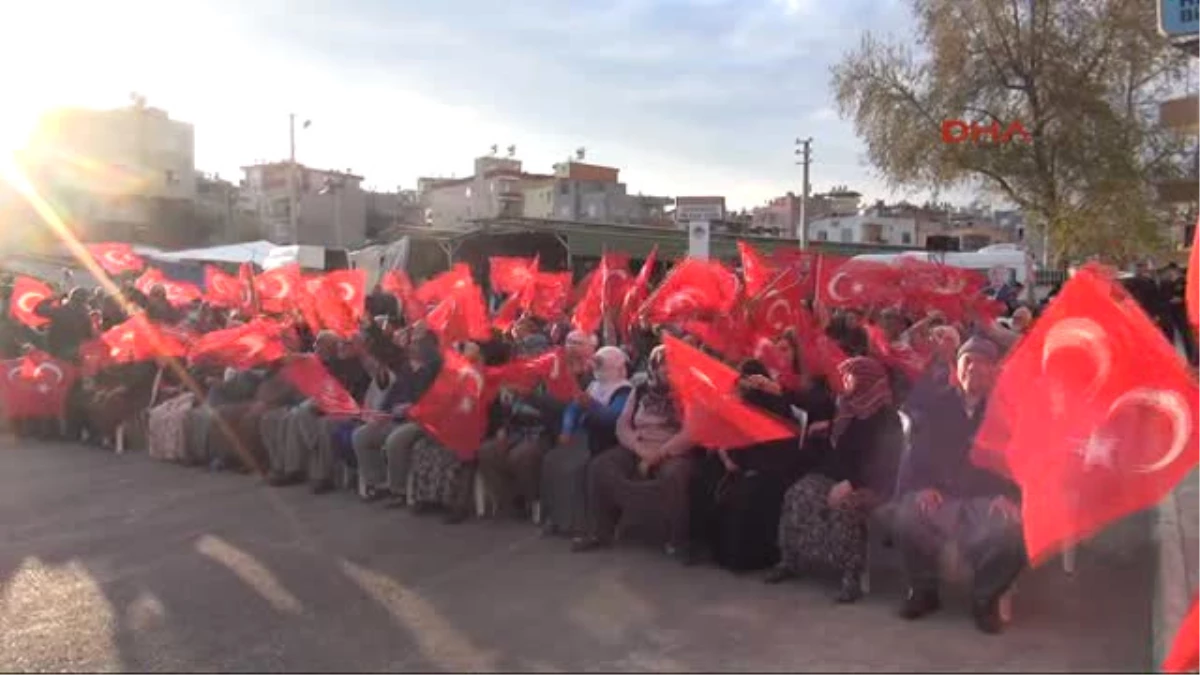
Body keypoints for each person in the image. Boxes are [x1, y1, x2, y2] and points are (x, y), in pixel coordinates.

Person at [892, 337, 1025, 634]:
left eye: (982, 362)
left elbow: (1021, 460)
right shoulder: (938, 404)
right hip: (943, 496)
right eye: (968, 361)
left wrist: (1008, 495)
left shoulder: (1005, 412)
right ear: (958, 367)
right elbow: (918, 451)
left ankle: (985, 599)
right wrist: (924, 486)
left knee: (1012, 529)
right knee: (907, 515)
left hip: (986, 498)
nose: (974, 368)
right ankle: (924, 591)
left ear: (993, 371)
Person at [767, 357, 903, 602]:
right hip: (839, 473)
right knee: (798, 493)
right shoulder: (847, 407)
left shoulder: (886, 418)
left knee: (845, 507)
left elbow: (884, 464)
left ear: (866, 380)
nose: (844, 382)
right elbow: (841, 446)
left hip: (872, 483)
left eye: (849, 376)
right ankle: (791, 559)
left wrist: (851, 483)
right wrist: (828, 428)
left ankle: (850, 576)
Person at [571, 345, 694, 560]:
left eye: (673, 364)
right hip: (640, 445)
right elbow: (622, 426)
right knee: (601, 466)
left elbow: (690, 433)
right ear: (654, 368)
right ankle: (600, 532)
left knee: (675, 475)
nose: (668, 369)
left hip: (672, 450)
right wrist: (639, 448)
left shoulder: (689, 394)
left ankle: (676, 541)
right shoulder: (641, 390)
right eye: (663, 364)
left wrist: (659, 454)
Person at [689, 359, 800, 572]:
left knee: (743, 496)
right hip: (733, 459)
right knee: (702, 479)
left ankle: (742, 558)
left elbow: (774, 447)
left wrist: (736, 460)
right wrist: (726, 456)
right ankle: (699, 544)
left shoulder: (774, 404)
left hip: (763, 468)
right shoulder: (736, 401)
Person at [539, 346, 633, 536]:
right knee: (552, 460)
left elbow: (613, 418)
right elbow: (572, 409)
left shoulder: (624, 390)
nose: (597, 366)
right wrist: (567, 430)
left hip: (606, 441)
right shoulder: (594, 385)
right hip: (584, 438)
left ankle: (580, 524)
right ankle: (556, 519)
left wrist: (592, 406)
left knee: (578, 467)